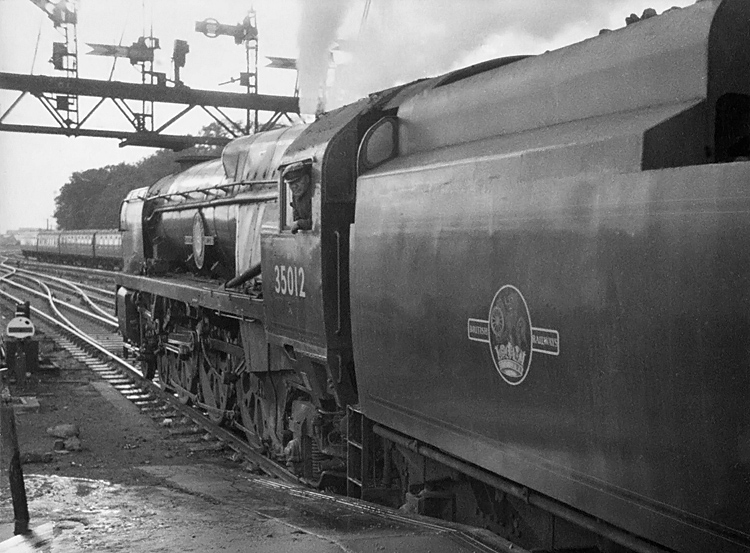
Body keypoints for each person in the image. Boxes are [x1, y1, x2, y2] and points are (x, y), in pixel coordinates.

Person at [283, 162, 312, 234]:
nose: (294, 187)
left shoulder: (315, 193)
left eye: (297, 181)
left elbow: (318, 222)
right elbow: (296, 217)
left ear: (307, 179)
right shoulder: (296, 196)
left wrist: (299, 223)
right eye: (290, 184)